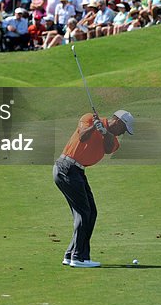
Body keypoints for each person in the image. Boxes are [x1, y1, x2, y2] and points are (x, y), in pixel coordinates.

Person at [53, 109, 134, 267]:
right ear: (117, 121)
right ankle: (79, 257)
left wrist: (105, 132)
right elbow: (83, 137)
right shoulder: (89, 118)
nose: (122, 133)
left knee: (91, 212)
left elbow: (109, 148)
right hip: (66, 167)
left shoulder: (114, 139)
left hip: (77, 172)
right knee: (84, 213)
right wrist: (95, 127)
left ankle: (71, 254)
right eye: (123, 129)